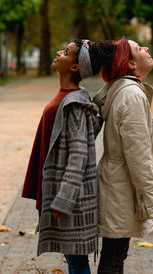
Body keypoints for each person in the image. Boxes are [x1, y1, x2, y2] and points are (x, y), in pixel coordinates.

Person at [21, 39, 115, 274]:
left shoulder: (75, 103)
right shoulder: (72, 96)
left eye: (66, 53)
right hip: (65, 194)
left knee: (76, 261)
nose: (58, 53)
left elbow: (78, 154)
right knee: (73, 259)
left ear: (75, 67)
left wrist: (64, 198)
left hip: (71, 198)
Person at [93, 36, 153, 274]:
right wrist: (151, 202)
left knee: (114, 254)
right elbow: (139, 157)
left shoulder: (122, 90)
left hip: (115, 183)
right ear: (130, 64)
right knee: (114, 258)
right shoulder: (132, 95)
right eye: (138, 48)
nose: (146, 48)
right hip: (121, 188)